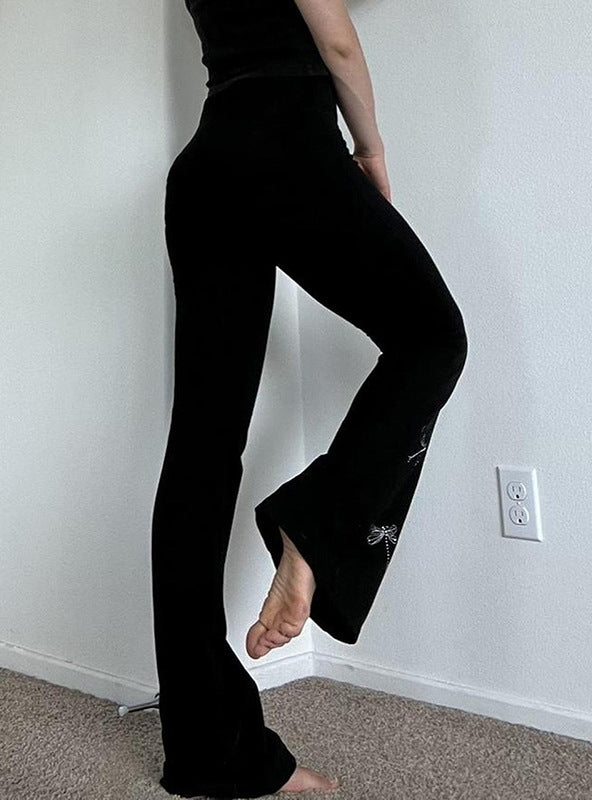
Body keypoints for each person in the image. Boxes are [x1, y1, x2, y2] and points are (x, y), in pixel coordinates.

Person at [150, 0, 469, 797]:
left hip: (208, 164)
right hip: (286, 139)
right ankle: (315, 526)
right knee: (432, 337)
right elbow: (335, 37)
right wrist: (371, 150)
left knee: (202, 452)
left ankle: (205, 752)